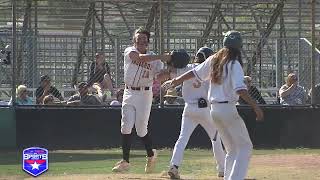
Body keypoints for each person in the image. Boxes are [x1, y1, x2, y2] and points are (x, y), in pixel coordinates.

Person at [163, 31, 264, 180]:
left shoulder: (214, 60)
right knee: (245, 147)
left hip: (213, 110)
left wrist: (176, 81)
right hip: (226, 108)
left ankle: (227, 175)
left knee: (232, 150)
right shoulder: (234, 63)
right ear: (239, 47)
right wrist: (256, 107)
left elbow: (194, 72)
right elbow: (240, 89)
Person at [111, 27, 171, 173]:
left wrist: (170, 69)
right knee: (125, 126)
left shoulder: (156, 61)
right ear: (134, 42)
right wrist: (162, 56)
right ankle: (125, 161)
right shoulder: (129, 51)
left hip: (145, 94)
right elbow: (138, 58)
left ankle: (151, 154)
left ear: (148, 42)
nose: (141, 42)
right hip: (129, 91)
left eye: (144, 40)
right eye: (138, 40)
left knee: (141, 129)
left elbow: (159, 78)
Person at [162, 47, 225, 179]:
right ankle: (222, 169)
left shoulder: (187, 67)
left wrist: (170, 61)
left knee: (182, 138)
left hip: (189, 108)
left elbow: (171, 72)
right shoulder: (211, 69)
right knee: (215, 139)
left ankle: (174, 166)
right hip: (205, 109)